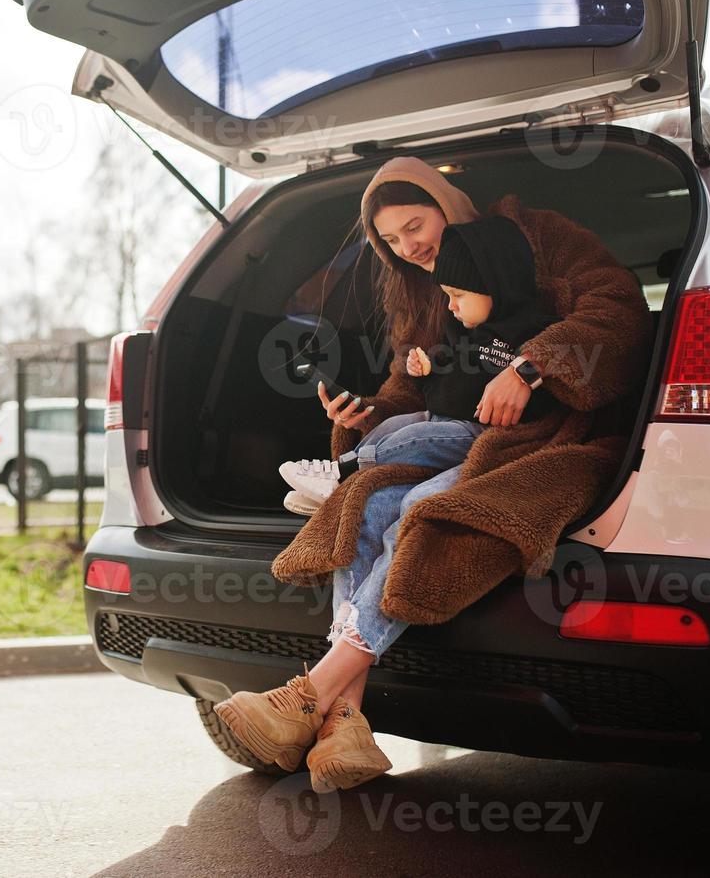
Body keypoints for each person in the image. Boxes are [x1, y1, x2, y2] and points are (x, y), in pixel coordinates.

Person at [212, 155, 649, 794]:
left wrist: (531, 368)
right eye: (390, 241)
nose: (409, 247)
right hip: (454, 439)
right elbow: (409, 391)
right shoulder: (419, 292)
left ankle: (312, 694)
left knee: (426, 510)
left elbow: (619, 312)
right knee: (368, 499)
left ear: (447, 200)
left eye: (415, 225)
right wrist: (363, 418)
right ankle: (344, 725)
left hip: (551, 438)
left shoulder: (538, 238)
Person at [278, 215, 559, 512]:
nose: (450, 306)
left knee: (414, 437)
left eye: (458, 295)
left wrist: (526, 372)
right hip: (440, 419)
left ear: (495, 284)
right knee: (395, 426)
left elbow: (563, 357)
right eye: (390, 240)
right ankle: (344, 481)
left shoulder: (532, 329)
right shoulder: (464, 331)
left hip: (479, 433)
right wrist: (429, 373)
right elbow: (458, 380)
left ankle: (343, 473)